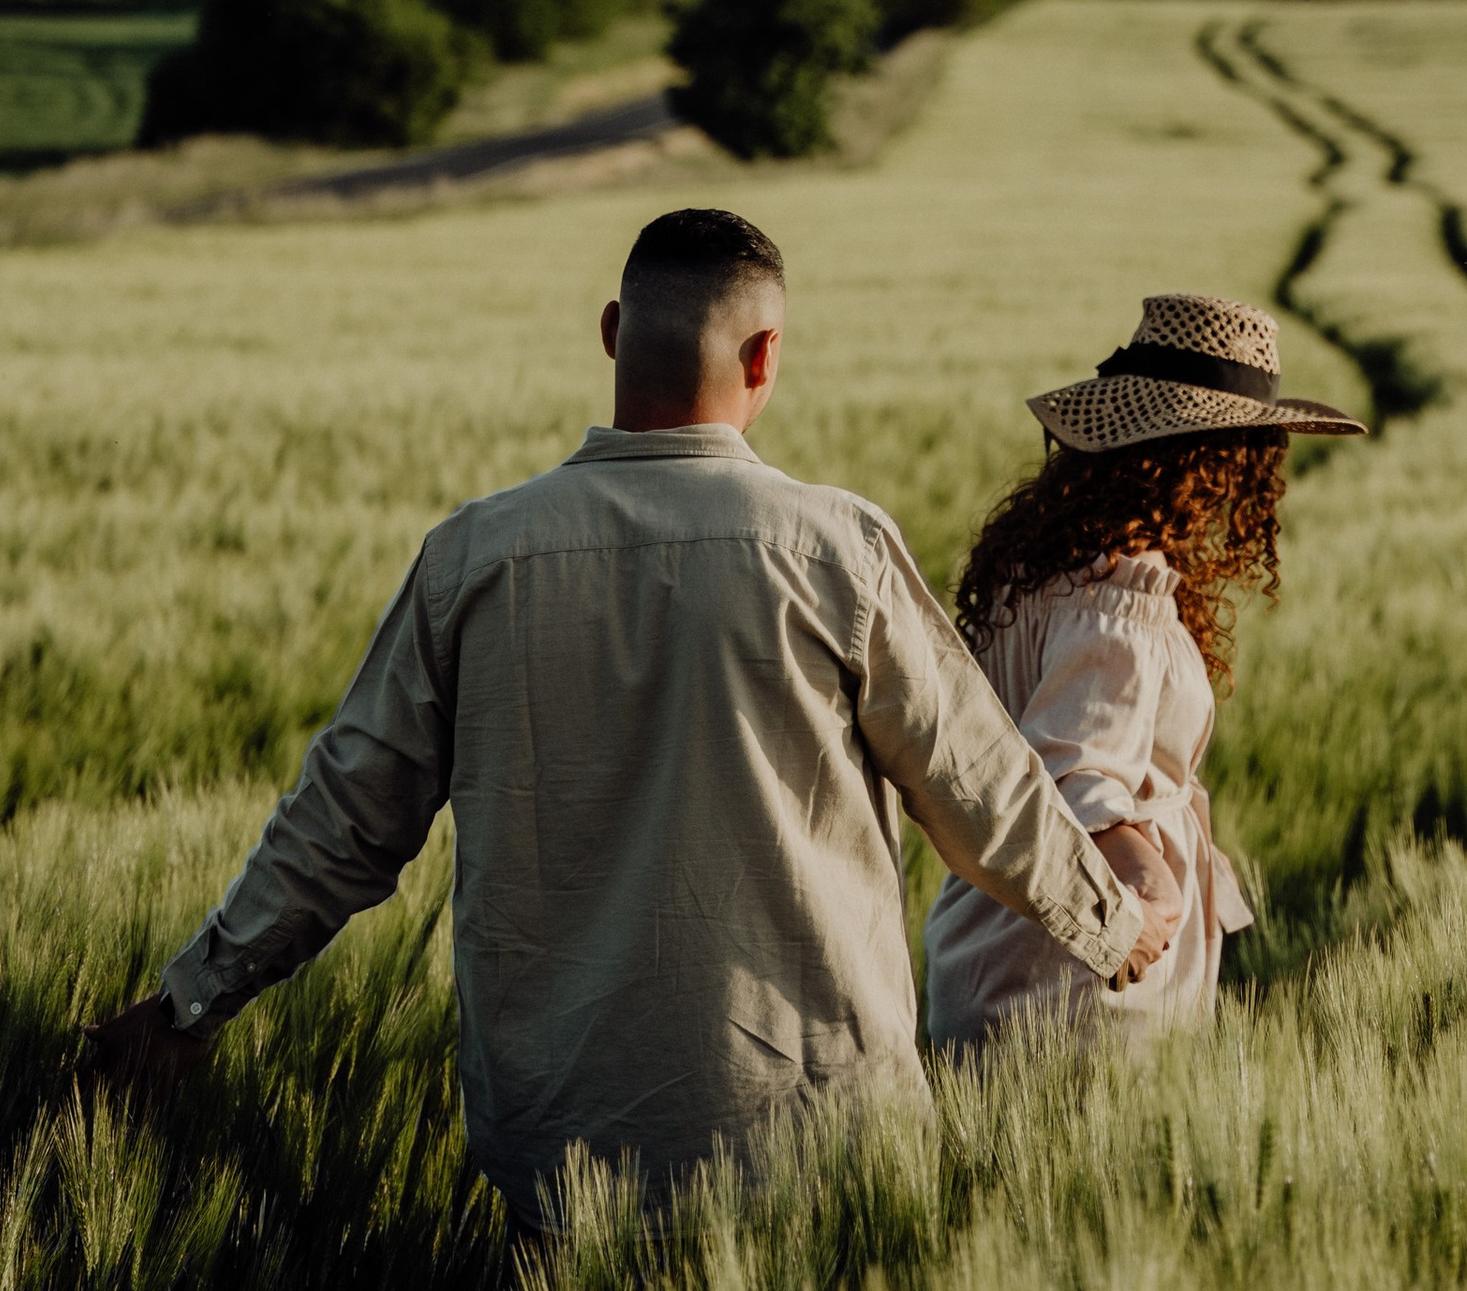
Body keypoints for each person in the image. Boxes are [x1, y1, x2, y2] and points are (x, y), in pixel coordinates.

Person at [80, 207, 1179, 1222]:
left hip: (559, 1151)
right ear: (765, 358)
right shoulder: (834, 550)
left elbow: (340, 823)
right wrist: (1112, 927)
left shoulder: (475, 556)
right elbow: (978, 792)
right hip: (815, 1127)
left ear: (612, 333)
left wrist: (188, 1004)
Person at [923, 291, 1365, 1051]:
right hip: (1083, 983)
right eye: (1243, 446)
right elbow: (1076, 773)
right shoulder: (1118, 586)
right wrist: (1154, 896)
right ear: (1199, 453)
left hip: (995, 938)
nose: (1244, 469)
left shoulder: (1039, 563)